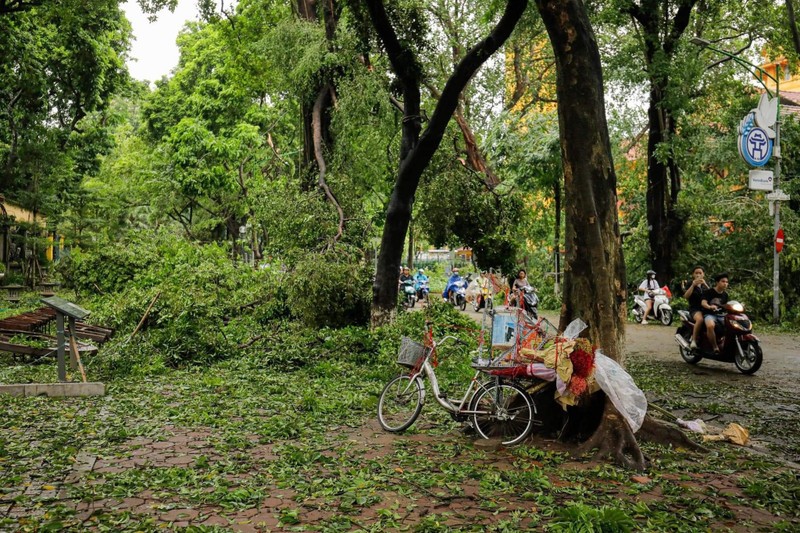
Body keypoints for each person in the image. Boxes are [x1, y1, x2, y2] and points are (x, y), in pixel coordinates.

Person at [701, 273, 730, 354]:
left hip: (721, 315)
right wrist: (710, 307)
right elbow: (703, 303)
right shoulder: (708, 292)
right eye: (723, 281)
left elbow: (726, 305)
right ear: (717, 282)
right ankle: (715, 347)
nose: (725, 284)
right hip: (709, 314)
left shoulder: (725, 294)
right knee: (710, 326)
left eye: (727, 282)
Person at [683, 266, 709, 349]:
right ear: (693, 275)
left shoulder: (705, 284)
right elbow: (686, 296)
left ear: (703, 274)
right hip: (695, 309)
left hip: (706, 308)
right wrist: (693, 285)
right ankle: (693, 340)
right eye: (696, 273)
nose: (698, 275)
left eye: (700, 273)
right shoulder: (690, 283)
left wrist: (705, 284)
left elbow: (712, 294)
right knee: (700, 319)